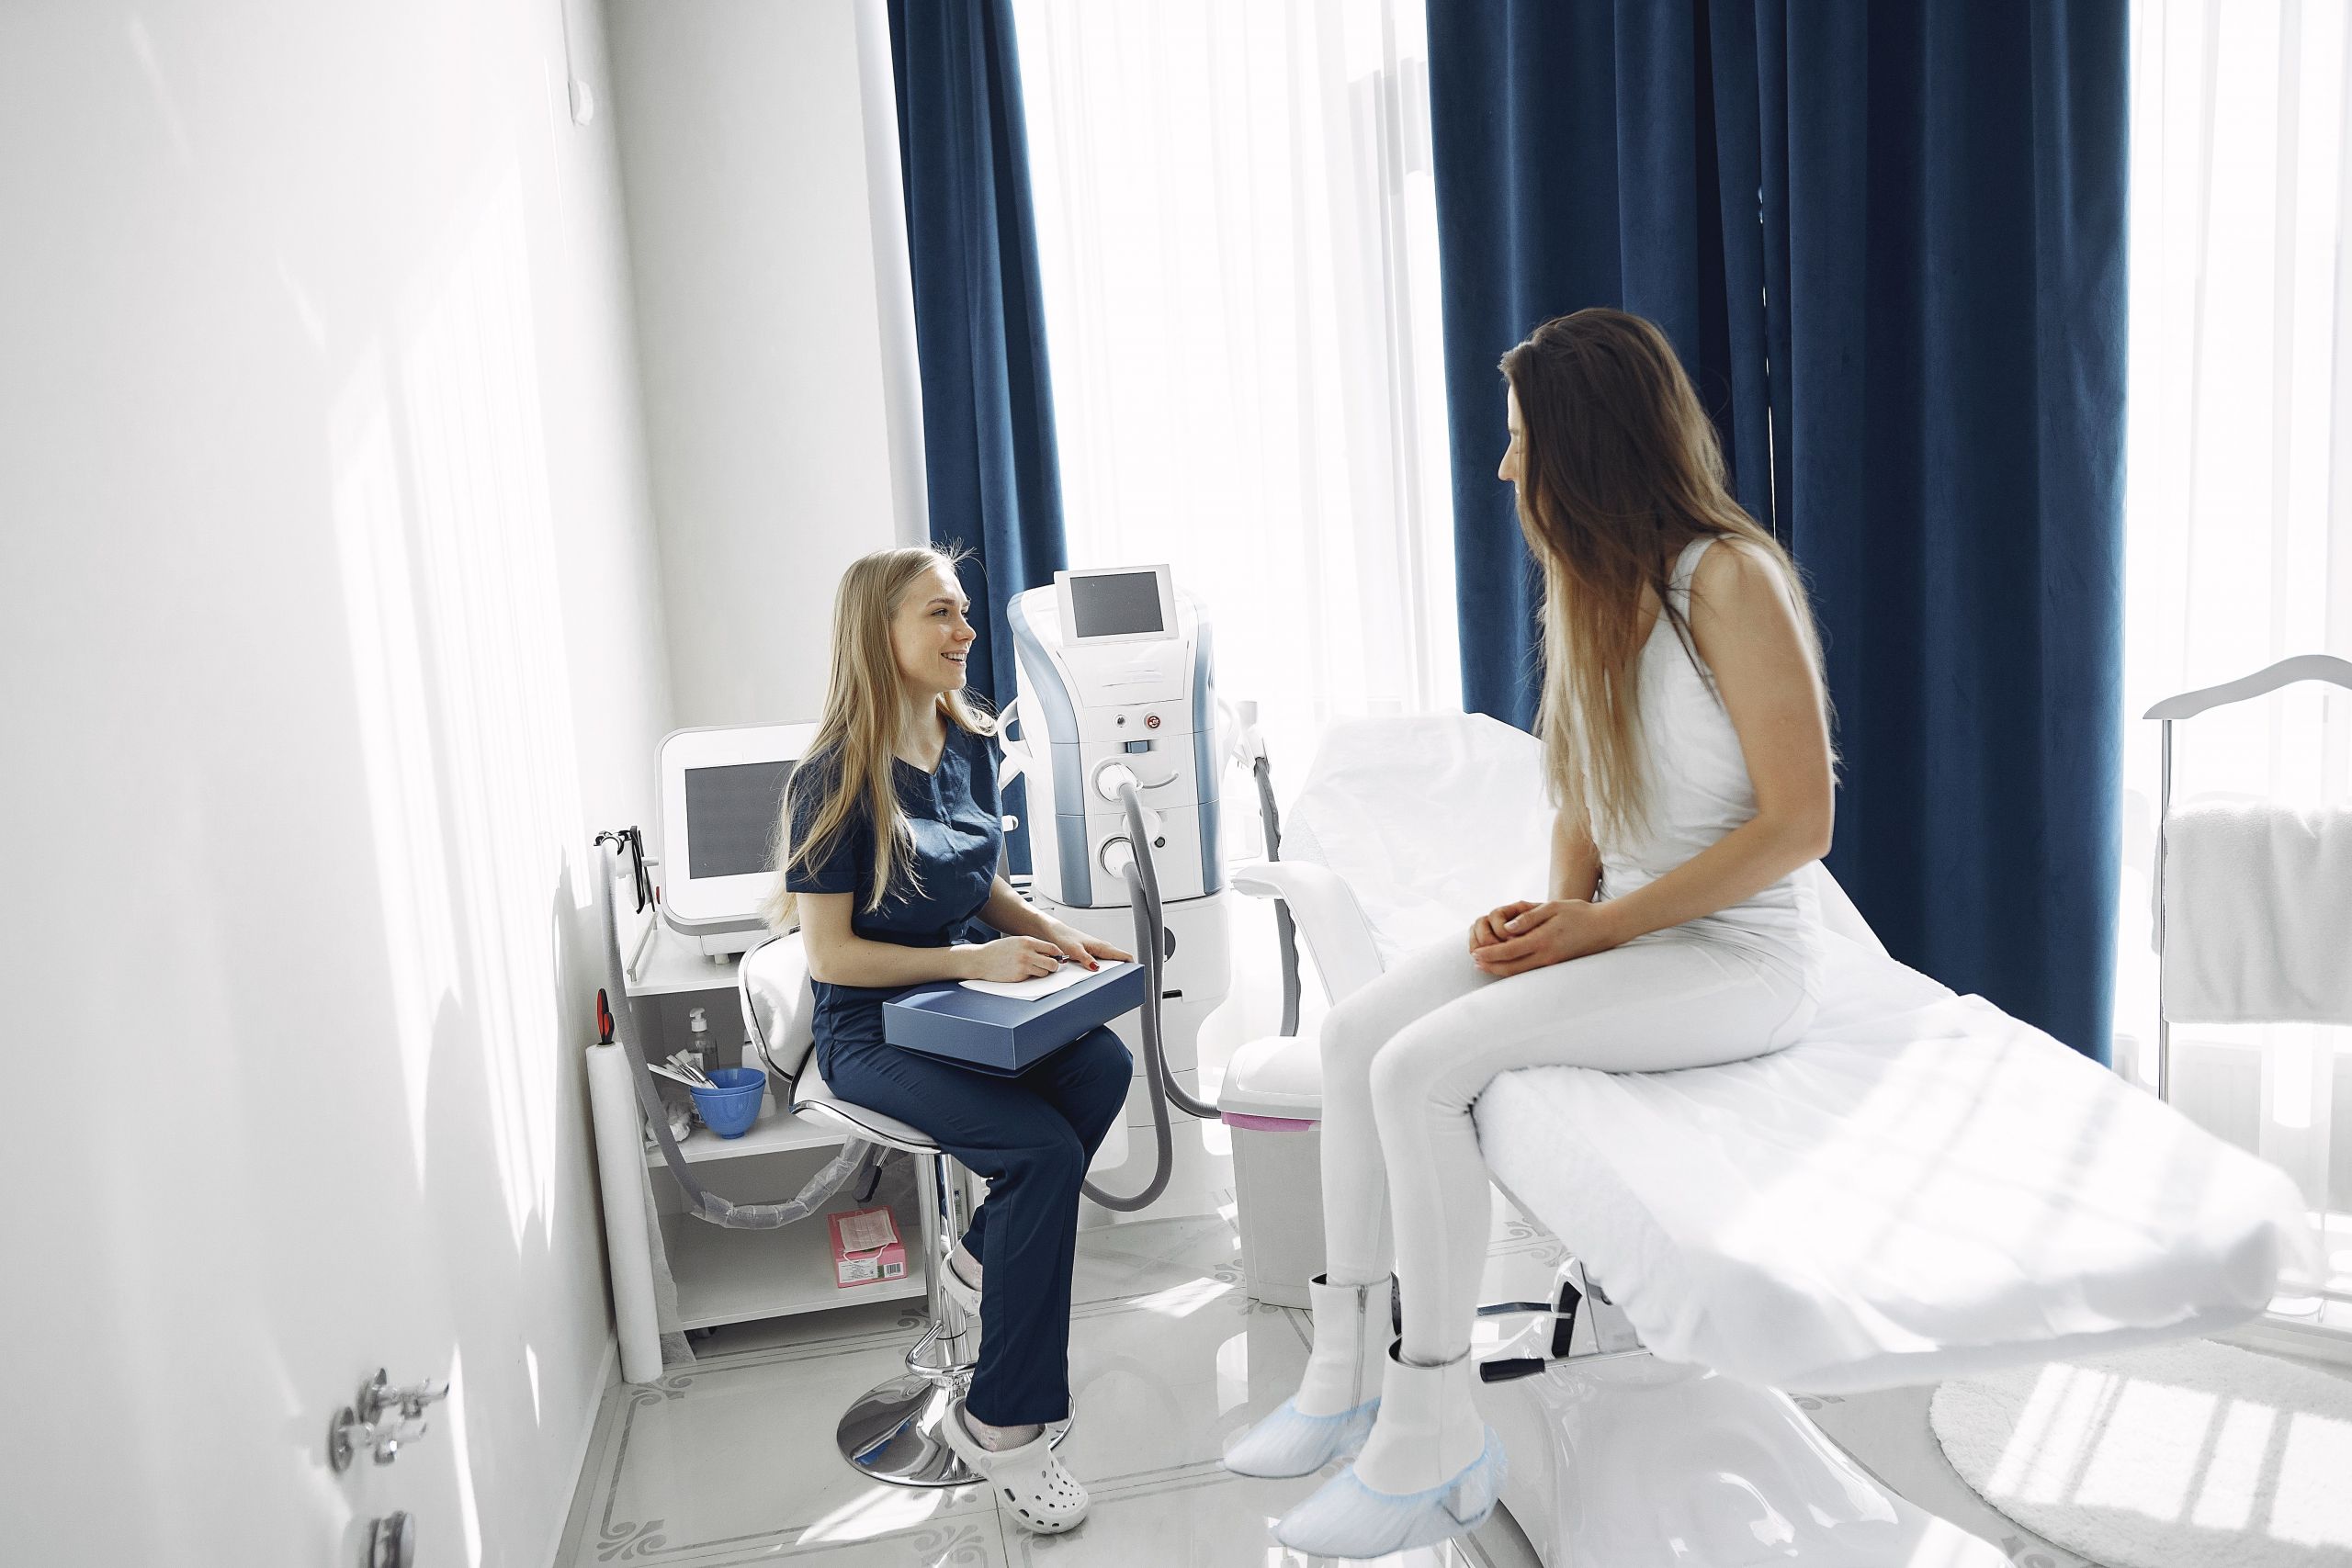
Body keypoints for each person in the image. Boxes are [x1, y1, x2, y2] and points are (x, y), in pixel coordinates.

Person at [1225, 309, 1837, 1558]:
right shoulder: (1591, 584)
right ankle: (1342, 1372)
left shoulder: (1731, 574)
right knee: (1353, 1036)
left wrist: (1601, 926)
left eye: (1518, 440)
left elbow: (1800, 823)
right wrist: (1563, 904)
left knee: (1418, 1067)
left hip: (1738, 957)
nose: (1504, 466)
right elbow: (1582, 783)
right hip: (1628, 930)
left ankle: (1433, 1423)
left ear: (1586, 444)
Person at [770, 546, 1132, 1537]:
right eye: (939, 614)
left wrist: (1050, 936)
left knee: (1104, 1062)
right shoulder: (832, 780)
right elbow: (835, 957)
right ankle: (1001, 1426)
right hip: (873, 1026)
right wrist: (970, 967)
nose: (963, 632)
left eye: (962, 612)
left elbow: (974, 885)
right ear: (877, 636)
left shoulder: (963, 737)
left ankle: (980, 1258)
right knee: (1041, 1153)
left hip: (962, 1001)